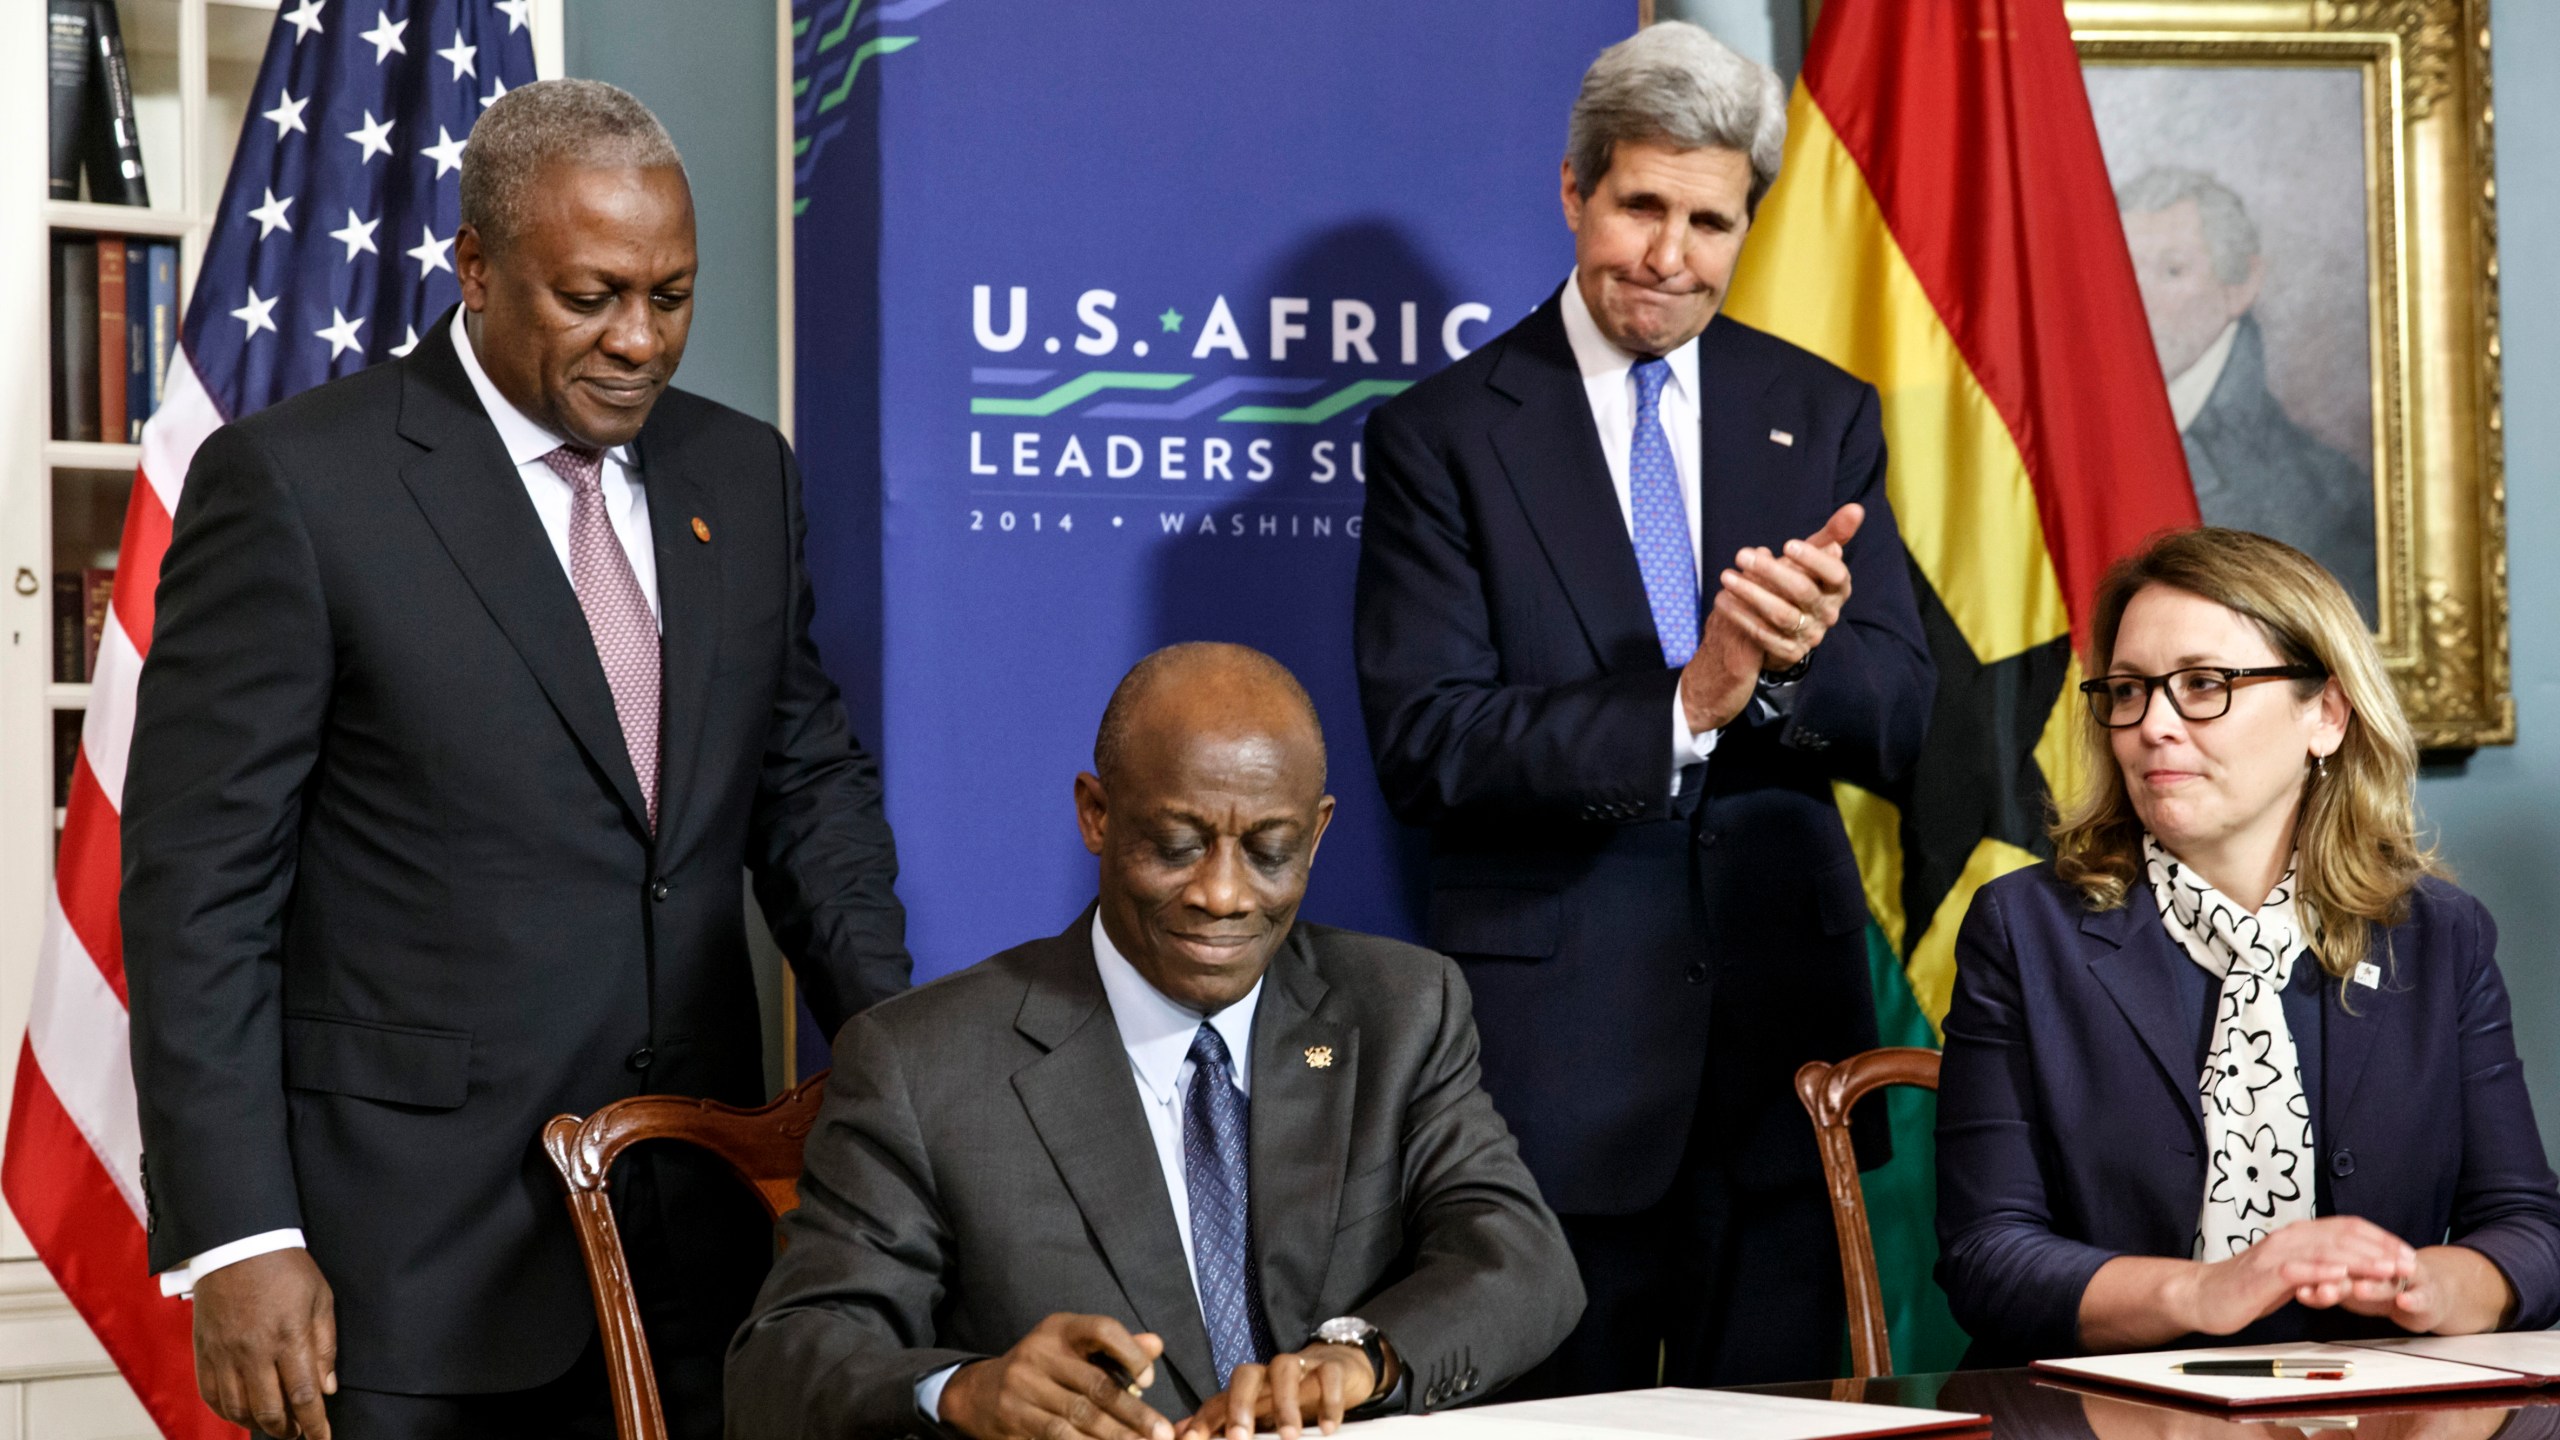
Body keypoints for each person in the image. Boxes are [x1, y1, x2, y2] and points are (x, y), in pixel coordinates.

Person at [121, 80, 911, 1440]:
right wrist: (241, 1234)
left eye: (671, 296)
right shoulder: (301, 487)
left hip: (698, 1243)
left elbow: (806, 792)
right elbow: (200, 893)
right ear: (476, 268)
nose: (639, 341)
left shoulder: (742, 474)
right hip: (406, 1271)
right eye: (592, 295)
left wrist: (911, 1067)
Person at [1352, 20, 1934, 1390]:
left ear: (1749, 223)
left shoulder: (1822, 414)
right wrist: (1689, 698)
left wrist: (1785, 669)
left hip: (1786, 1070)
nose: (1670, 257)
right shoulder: (1444, 435)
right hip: (1559, 1078)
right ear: (1574, 191)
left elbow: (1904, 713)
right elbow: (1426, 742)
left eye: (1709, 221)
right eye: (1640, 208)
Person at [727, 643, 1583, 1440]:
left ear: (1318, 832)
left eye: (1270, 851)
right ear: (1096, 815)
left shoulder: (1399, 1010)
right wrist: (963, 1389)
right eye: (1176, 847)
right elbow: (783, 1358)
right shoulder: (924, 1061)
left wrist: (1364, 1362)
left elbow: (1520, 1260)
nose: (1223, 893)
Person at [1935, 527, 2560, 1363]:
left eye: (2203, 685)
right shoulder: (2025, 931)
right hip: (2113, 1413)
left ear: (2326, 716)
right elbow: (1988, 1257)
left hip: (2379, 1410)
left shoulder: (2440, 937)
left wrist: (2435, 1283)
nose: (2151, 725)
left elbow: (2529, 1228)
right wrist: (2208, 1292)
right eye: (2127, 691)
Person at [2117, 168, 2377, 618]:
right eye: (2124, 269)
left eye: (2171, 270)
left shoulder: (2323, 492)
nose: (2136, 296)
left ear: (2241, 285)